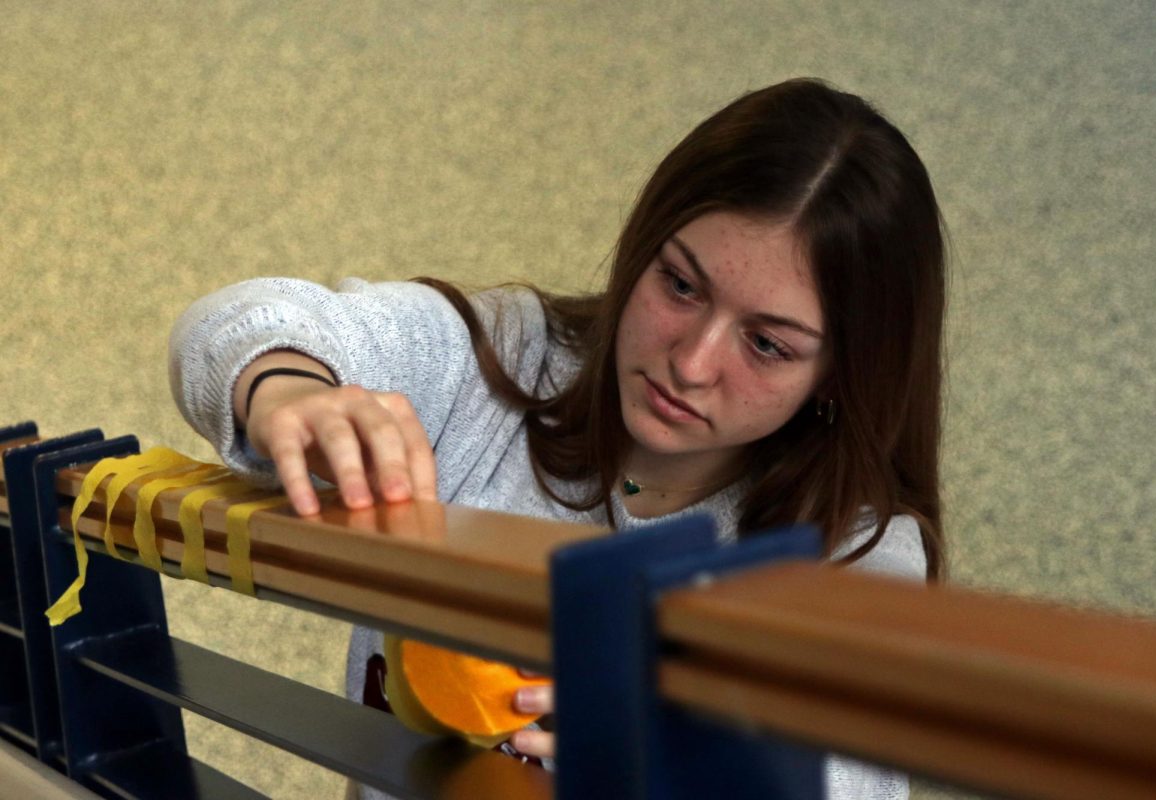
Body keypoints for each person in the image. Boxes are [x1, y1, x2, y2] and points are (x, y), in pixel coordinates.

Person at [170, 77, 946, 799]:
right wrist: (290, 389)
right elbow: (242, 321)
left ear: (842, 374)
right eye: (679, 284)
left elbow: (847, 778)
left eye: (767, 345)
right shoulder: (506, 363)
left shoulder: (855, 552)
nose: (692, 362)